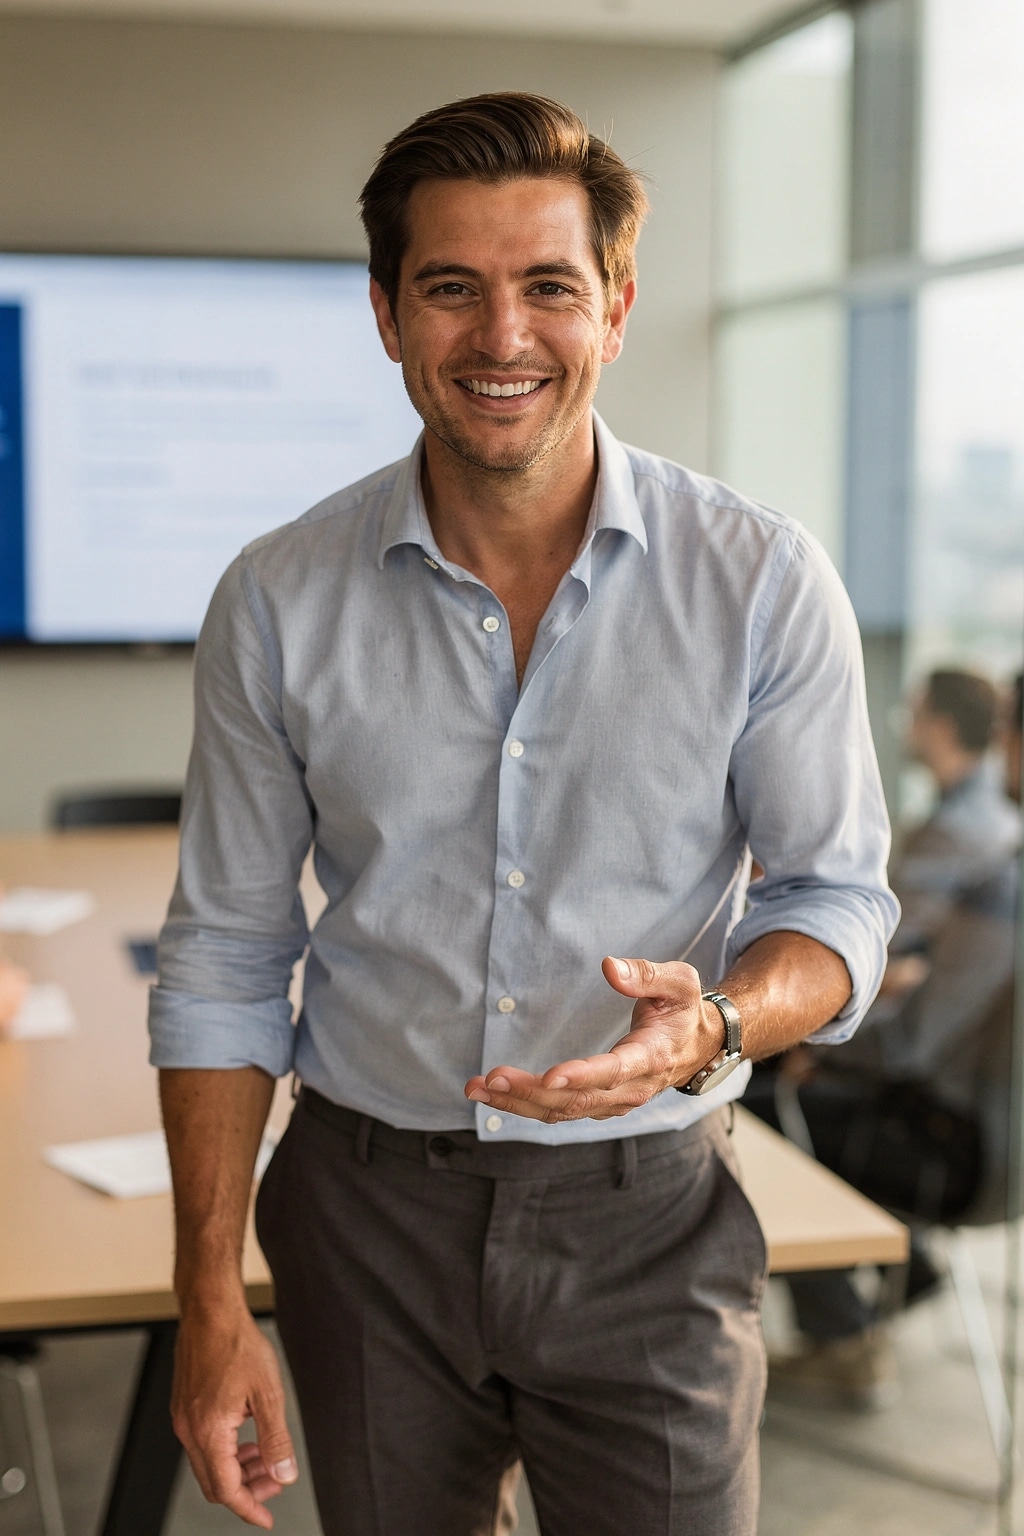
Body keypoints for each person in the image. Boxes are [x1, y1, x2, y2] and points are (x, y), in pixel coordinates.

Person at [148, 93, 897, 1536]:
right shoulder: (278, 598)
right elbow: (227, 957)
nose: (503, 336)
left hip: (650, 1217)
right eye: (451, 288)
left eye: (549, 286)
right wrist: (209, 1298)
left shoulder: (760, 580)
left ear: (615, 307)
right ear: (387, 316)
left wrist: (715, 1023)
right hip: (365, 1220)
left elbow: (836, 902)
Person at [751, 669, 1022, 1408]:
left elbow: (912, 1039)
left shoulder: (999, 875)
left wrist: (820, 1046)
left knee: (756, 1114)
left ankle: (845, 1334)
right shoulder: (1000, 848)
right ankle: (909, 1268)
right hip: (996, 1144)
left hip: (959, 1149)